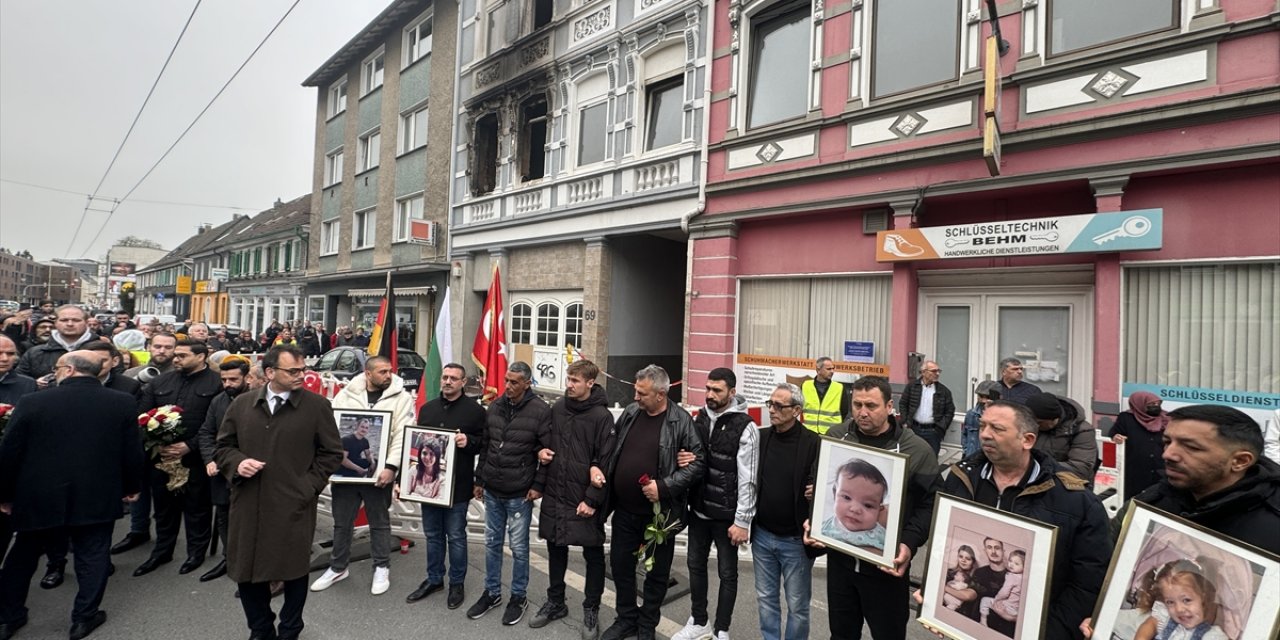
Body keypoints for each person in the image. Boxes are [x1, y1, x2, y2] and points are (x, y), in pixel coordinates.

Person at [933, 400, 1110, 640]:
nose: (984, 434)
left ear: (1027, 440)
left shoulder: (1076, 501)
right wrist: (937, 603)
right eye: (983, 425)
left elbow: (1087, 584)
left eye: (997, 429)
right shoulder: (960, 477)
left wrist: (1049, 633)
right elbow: (943, 550)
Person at [0, 350, 144, 640]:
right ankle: (84, 618)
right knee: (92, 555)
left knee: (24, 556)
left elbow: (9, 453)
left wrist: (4, 494)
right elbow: (132, 451)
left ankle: (8, 618)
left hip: (38, 494)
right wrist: (131, 487)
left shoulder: (33, 402)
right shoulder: (121, 403)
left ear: (67, 370)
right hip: (97, 493)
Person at [215, 345, 343, 640]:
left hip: (293, 504)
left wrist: (306, 487)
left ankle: (290, 628)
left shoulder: (316, 406)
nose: (302, 376)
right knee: (246, 570)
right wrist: (238, 463)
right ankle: (260, 628)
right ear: (270, 372)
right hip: (248, 502)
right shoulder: (243, 405)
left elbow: (331, 453)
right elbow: (223, 446)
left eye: (303, 370)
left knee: (294, 569)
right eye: (293, 371)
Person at [811, 376, 939, 640]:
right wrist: (812, 518)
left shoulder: (918, 450)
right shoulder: (836, 437)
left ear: (890, 405)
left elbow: (930, 506)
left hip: (886, 571)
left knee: (888, 635)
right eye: (857, 404)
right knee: (842, 634)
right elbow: (820, 486)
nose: (862, 412)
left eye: (871, 405)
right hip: (840, 566)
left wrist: (908, 542)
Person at [601, 365, 705, 640]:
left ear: (661, 394)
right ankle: (626, 618)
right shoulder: (632, 413)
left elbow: (698, 465)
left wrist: (664, 486)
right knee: (620, 565)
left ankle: (647, 624)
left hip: (660, 516)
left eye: (642, 393)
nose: (635, 397)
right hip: (624, 510)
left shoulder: (681, 421)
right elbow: (615, 448)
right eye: (636, 391)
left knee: (657, 574)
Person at [529, 360, 617, 638]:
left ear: (590, 383)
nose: (568, 384)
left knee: (592, 553)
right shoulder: (558, 408)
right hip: (556, 491)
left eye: (575, 381)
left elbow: (606, 461)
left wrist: (592, 500)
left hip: (582, 496)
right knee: (556, 547)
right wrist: (540, 457)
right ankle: (556, 602)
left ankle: (591, 608)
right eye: (568, 379)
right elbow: (544, 443)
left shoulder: (602, 417)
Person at [1118, 404, 1280, 555]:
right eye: (1167, 442)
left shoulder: (1273, 521)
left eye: (1191, 447)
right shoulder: (1148, 503)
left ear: (1240, 461)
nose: (1168, 454)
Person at [311, 356, 412, 596]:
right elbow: (332, 429)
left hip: (380, 476)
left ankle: (381, 566)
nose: (388, 376)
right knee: (342, 523)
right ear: (368, 373)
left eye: (390, 371)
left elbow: (401, 435)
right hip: (344, 475)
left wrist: (390, 467)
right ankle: (338, 567)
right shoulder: (347, 394)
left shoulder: (402, 397)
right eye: (382, 372)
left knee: (379, 522)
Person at [672, 368, 758, 640]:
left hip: (727, 517)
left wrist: (742, 521)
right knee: (695, 566)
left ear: (732, 393)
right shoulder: (697, 418)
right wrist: (682, 457)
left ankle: (722, 629)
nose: (710, 395)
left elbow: (749, 478)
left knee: (727, 573)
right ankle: (699, 622)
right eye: (708, 388)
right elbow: (687, 455)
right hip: (698, 510)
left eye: (717, 390)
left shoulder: (746, 426)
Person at [468, 361, 551, 625]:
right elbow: (486, 446)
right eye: (506, 380)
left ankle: (518, 596)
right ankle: (492, 593)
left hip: (519, 494)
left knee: (518, 548)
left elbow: (547, 452)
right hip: (492, 489)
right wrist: (479, 479)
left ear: (527, 383)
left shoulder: (540, 411)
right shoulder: (495, 405)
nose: (508, 386)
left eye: (515, 382)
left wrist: (538, 485)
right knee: (492, 544)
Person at [133, 338, 221, 578]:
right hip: (161, 458)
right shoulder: (161, 381)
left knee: (197, 508)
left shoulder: (216, 383)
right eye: (176, 355)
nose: (176, 358)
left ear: (201, 357)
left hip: (194, 458)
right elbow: (142, 414)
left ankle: (196, 552)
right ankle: (163, 550)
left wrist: (189, 446)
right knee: (163, 508)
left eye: (182, 355)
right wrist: (156, 442)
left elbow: (217, 423)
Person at [408, 362, 486, 609]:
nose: (448, 381)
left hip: (458, 485)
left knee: (456, 536)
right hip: (428, 484)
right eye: (445, 377)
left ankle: (456, 583)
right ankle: (434, 579)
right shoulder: (427, 409)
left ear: (463, 382)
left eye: (454, 378)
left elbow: (484, 445)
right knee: (432, 535)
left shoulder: (475, 411)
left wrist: (469, 441)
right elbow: (417, 447)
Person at [752, 383, 820, 640]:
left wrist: (820, 489)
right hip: (762, 536)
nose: (772, 410)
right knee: (766, 600)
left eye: (779, 406)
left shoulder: (813, 443)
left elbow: (828, 482)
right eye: (770, 404)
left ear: (796, 410)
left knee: (798, 606)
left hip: (794, 541)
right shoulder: (761, 437)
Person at [195, 357, 261, 583]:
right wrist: (209, 459)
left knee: (252, 520)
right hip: (222, 470)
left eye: (234, 379)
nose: (228, 384)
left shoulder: (257, 401)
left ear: (247, 378)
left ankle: (252, 566)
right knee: (223, 515)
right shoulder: (218, 402)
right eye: (224, 380)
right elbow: (206, 432)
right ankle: (229, 558)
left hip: (251, 471)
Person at [0, 335, 36, 564]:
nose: (5, 359)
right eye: (0, 353)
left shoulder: (26, 384)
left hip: (8, 471)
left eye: (11, 354)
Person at [1135, 560, 1229, 640]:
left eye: (1186, 600)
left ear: (1203, 597)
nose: (1179, 609)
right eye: (1170, 602)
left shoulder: (1212, 636)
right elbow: (1149, 625)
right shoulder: (1166, 618)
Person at [1108, 391, 1169, 501]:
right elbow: (1115, 433)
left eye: (1158, 404)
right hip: (1134, 471)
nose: (1156, 407)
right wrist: (1116, 437)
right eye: (1151, 404)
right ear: (1140, 404)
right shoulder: (1126, 418)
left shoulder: (1166, 419)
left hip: (1160, 470)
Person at [1025, 392, 1098, 481]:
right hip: (1032, 481)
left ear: (1054, 418)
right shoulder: (1028, 426)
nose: (1035, 426)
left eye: (1039, 422)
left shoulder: (1082, 430)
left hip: (1069, 486)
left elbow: (1081, 468)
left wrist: (1037, 467)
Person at [15, 305, 97, 382]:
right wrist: (34, 384)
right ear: (56, 323)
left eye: (76, 320)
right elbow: (19, 381)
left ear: (86, 323)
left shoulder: (101, 350)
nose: (70, 324)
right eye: (64, 320)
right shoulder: (34, 353)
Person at [819, 459, 887, 551]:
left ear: (880, 510)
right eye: (847, 497)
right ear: (835, 494)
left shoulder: (882, 537)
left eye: (868, 505)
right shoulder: (826, 526)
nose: (855, 509)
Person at [897, 361, 955, 454]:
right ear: (923, 372)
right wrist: (905, 421)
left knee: (931, 459)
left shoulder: (943, 391)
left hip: (933, 432)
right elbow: (903, 403)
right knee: (912, 456)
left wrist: (941, 427)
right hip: (913, 429)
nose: (937, 374)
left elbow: (950, 411)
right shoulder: (912, 387)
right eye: (934, 371)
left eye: (938, 371)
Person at [800, 357, 848, 435]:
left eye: (833, 368)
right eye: (828, 369)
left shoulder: (839, 388)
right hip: (808, 432)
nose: (832, 371)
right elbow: (799, 408)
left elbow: (844, 411)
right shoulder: (805, 385)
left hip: (831, 433)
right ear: (818, 370)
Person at [981, 549, 1024, 629]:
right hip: (1017, 610)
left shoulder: (1012, 577)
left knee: (985, 600)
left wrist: (997, 599)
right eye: (1010, 561)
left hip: (1008, 607)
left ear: (1025, 567)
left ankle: (983, 620)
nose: (1011, 564)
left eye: (1016, 564)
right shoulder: (1023, 578)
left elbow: (1004, 592)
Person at [961, 381, 1000, 458]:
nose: (984, 401)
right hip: (971, 456)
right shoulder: (971, 414)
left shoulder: (1003, 417)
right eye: (981, 396)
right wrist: (966, 450)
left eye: (988, 397)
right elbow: (964, 434)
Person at [942, 545, 976, 611]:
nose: (963, 560)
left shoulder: (972, 580)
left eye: (968, 559)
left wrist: (945, 588)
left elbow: (967, 596)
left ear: (973, 562)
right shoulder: (948, 572)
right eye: (961, 557)